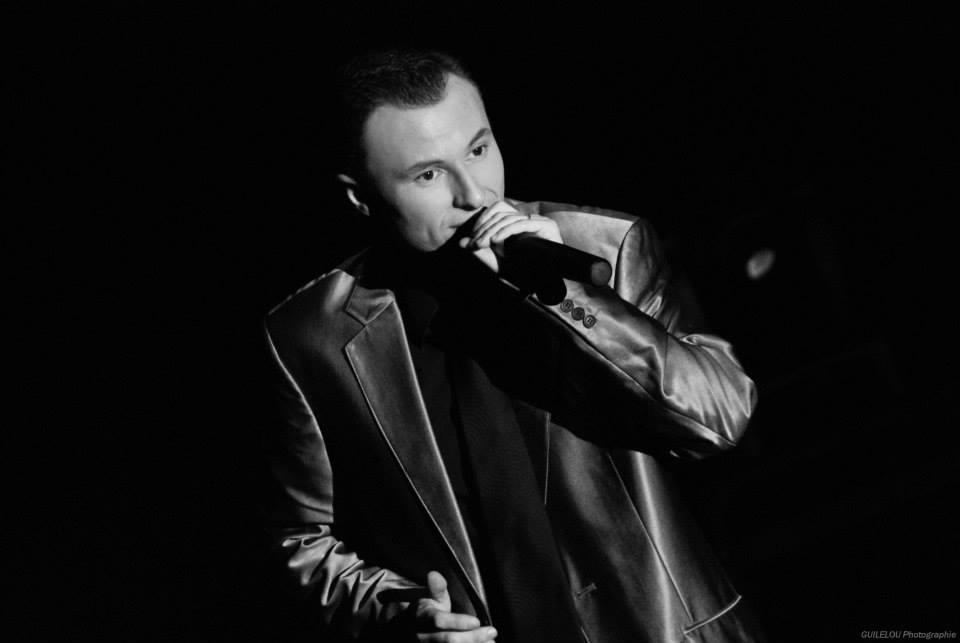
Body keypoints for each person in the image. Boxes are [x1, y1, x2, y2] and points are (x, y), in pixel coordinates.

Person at [259, 48, 762, 642]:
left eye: (478, 149)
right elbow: (301, 540)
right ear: (360, 197)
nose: (475, 194)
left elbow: (718, 419)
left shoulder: (605, 247)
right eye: (428, 175)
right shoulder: (311, 337)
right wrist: (396, 615)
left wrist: (569, 300)